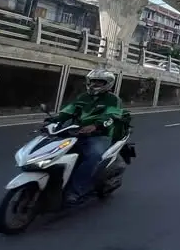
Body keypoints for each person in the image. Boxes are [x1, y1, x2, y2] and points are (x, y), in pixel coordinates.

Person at [49, 69, 125, 204]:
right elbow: (69, 110)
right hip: (76, 132)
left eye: (99, 82)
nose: (95, 84)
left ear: (108, 84)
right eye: (93, 81)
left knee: (93, 156)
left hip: (100, 135)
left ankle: (76, 190)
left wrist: (96, 126)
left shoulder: (113, 100)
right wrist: (54, 119)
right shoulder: (83, 97)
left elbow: (112, 117)